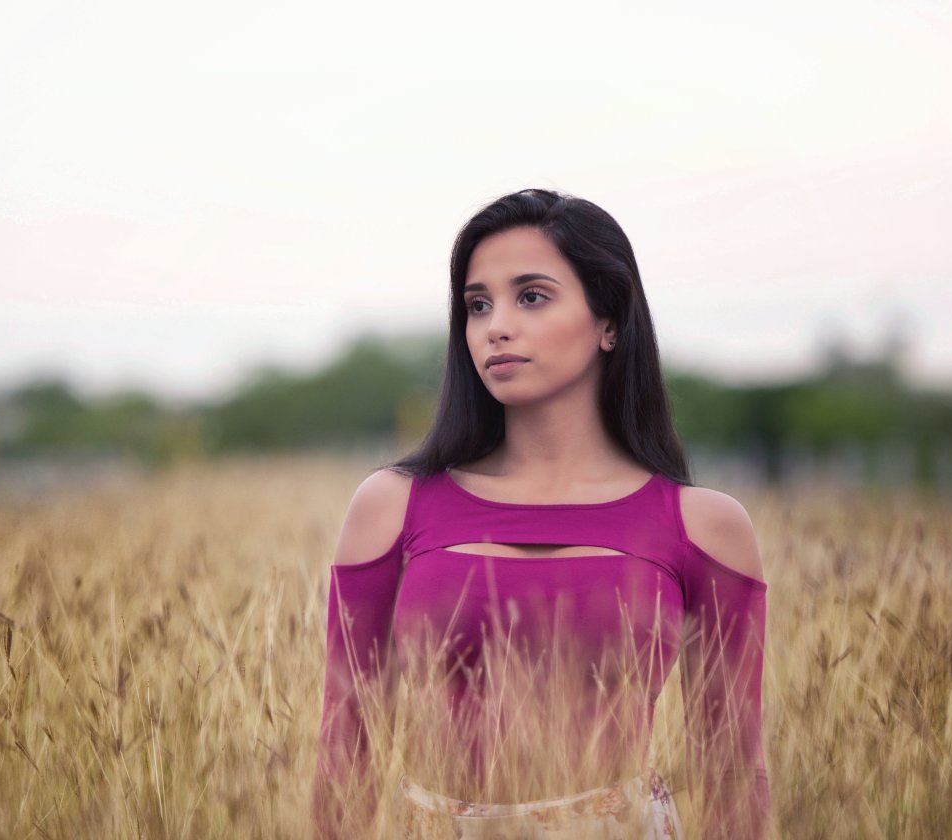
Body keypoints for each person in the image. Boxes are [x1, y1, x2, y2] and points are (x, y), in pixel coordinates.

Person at [312, 188, 771, 839]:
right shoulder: (392, 507)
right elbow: (344, 750)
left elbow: (732, 770)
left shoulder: (702, 525)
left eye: (531, 296)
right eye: (477, 304)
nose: (496, 325)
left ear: (609, 320)